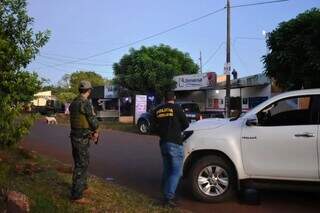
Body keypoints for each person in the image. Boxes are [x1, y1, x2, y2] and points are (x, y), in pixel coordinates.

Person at [151, 91, 189, 208]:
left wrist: (162, 132)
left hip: (164, 143)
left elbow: (153, 127)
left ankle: (165, 194)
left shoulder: (157, 110)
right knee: (176, 172)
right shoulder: (177, 108)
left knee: (167, 170)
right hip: (176, 143)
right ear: (174, 98)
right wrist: (177, 131)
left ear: (164, 99)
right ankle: (169, 198)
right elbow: (186, 125)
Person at [69, 80, 99, 204]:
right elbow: (93, 122)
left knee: (79, 162)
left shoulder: (74, 102)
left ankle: (82, 187)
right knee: (82, 165)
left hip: (74, 136)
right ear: (89, 91)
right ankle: (77, 195)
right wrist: (96, 129)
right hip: (82, 138)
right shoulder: (85, 103)